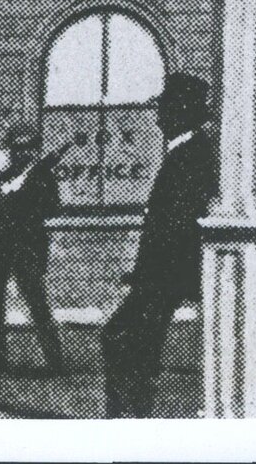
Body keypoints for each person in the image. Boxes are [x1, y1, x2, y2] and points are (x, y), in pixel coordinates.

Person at [103, 73, 217, 418]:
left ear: (180, 112)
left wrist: (149, 275)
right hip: (159, 274)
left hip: (164, 275)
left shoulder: (190, 155)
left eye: (164, 107)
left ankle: (128, 418)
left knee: (120, 338)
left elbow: (176, 225)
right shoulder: (185, 152)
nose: (157, 115)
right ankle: (132, 414)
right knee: (135, 344)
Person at [0, 122, 73, 373]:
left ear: (34, 149)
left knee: (37, 303)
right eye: (16, 147)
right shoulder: (2, 177)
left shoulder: (42, 177)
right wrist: (2, 197)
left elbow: (51, 207)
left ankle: (54, 361)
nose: (21, 153)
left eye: (27, 148)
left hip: (26, 247)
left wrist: (19, 202)